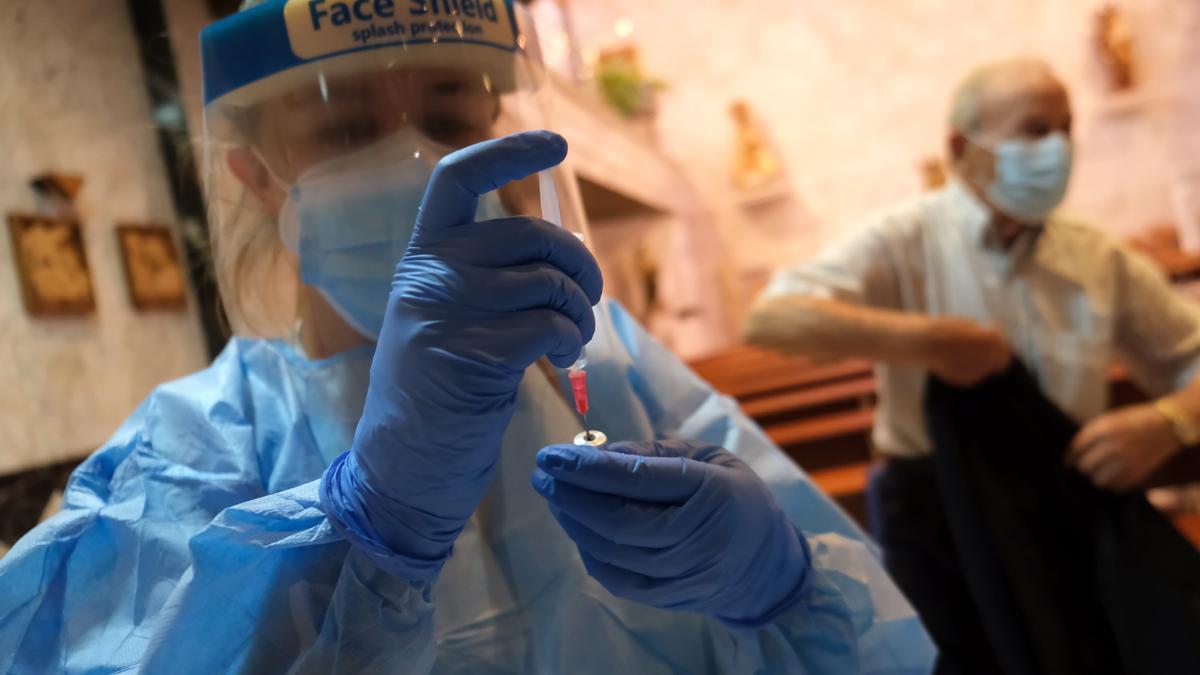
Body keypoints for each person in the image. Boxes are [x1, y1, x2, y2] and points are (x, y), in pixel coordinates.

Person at [0, 1, 934, 673]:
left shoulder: (611, 369)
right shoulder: (193, 453)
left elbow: (860, 637)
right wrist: (366, 520)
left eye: (451, 118)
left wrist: (778, 583)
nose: (421, 162)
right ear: (255, 174)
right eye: (346, 124)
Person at [744, 56, 1200, 671]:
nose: (1059, 148)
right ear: (962, 148)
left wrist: (1169, 422)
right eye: (1035, 130)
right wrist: (926, 340)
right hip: (942, 520)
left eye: (1066, 128)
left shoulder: (1097, 256)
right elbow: (771, 318)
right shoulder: (906, 238)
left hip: (1067, 501)